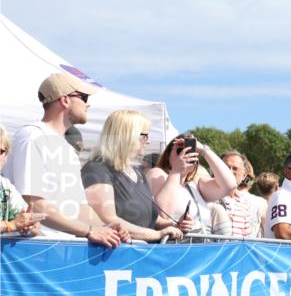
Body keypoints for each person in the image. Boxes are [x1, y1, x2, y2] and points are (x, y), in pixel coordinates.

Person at [4, 73, 128, 247]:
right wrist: (90, 231)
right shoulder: (32, 137)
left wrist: (105, 227)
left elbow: (77, 207)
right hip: (30, 250)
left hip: (61, 249)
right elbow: (34, 205)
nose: (88, 104)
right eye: (84, 98)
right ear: (65, 100)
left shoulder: (66, 149)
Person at [81, 110, 184, 243]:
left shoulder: (138, 174)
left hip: (143, 255)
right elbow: (107, 219)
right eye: (145, 136)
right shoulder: (97, 168)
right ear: (128, 136)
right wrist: (156, 234)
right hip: (117, 257)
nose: (148, 142)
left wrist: (174, 225)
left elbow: (153, 219)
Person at [148, 136, 237, 235]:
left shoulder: (194, 184)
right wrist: (176, 171)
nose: (185, 154)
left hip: (199, 246)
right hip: (173, 246)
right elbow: (163, 213)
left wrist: (203, 150)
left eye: (191, 151)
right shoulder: (158, 174)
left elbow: (230, 185)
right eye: (180, 150)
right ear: (168, 155)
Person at [0, 124, 43, 237]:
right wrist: (12, 225)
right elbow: (15, 224)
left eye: (0, 151)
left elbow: (32, 224)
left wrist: (29, 225)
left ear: (6, 157)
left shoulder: (5, 186)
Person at [220, 151, 263, 238]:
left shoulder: (242, 203)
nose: (230, 171)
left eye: (235, 168)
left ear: (243, 175)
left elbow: (247, 238)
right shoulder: (208, 197)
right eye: (226, 167)